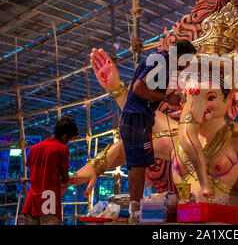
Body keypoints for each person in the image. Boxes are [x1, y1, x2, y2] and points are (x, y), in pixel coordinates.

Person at [90, 39, 197, 222]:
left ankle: (136, 207)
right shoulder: (160, 62)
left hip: (142, 118)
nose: (187, 66)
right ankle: (135, 210)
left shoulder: (164, 65)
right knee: (137, 164)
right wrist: (165, 98)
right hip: (136, 117)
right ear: (181, 56)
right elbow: (138, 88)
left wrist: (167, 99)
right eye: (188, 61)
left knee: (140, 163)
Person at [19, 117, 78, 225]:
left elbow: (33, 172)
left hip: (31, 200)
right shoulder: (62, 149)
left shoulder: (35, 148)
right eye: (70, 139)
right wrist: (69, 179)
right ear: (65, 137)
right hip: (49, 201)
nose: (68, 142)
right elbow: (65, 179)